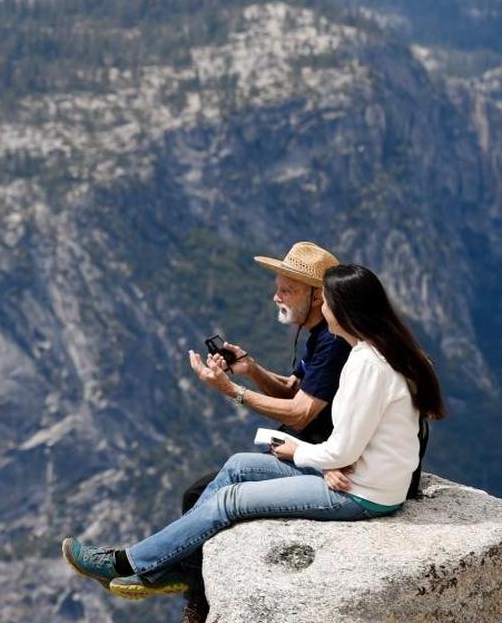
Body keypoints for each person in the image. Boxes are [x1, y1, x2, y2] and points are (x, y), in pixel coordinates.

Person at [61, 264, 446, 605]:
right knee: (238, 465)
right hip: (362, 476)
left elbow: (341, 447)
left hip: (364, 494)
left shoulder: (366, 363)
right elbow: (346, 432)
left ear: (341, 308)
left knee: (229, 501)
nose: (323, 309)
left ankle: (128, 562)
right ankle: (177, 566)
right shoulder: (373, 351)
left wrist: (296, 450)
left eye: (326, 301)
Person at [179, 241, 352, 620]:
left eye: (287, 289)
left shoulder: (334, 341)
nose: (276, 296)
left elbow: (301, 413)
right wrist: (250, 368)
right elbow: (295, 388)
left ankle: (195, 600)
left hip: (322, 462)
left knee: (200, 493)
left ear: (318, 295)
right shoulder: (320, 334)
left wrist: (233, 391)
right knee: (202, 492)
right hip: (310, 451)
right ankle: (190, 583)